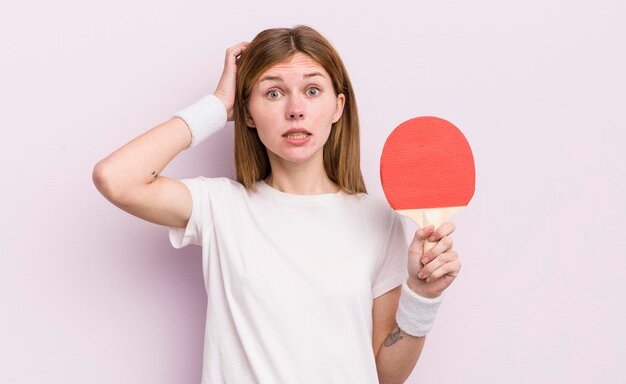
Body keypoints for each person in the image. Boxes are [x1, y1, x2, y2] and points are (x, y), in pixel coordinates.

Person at [92, 25, 461, 384]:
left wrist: (422, 297)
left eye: (313, 90)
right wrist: (218, 106)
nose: (295, 109)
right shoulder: (221, 208)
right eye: (273, 93)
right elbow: (116, 178)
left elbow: (385, 375)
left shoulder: (376, 219)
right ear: (247, 113)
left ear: (338, 106)